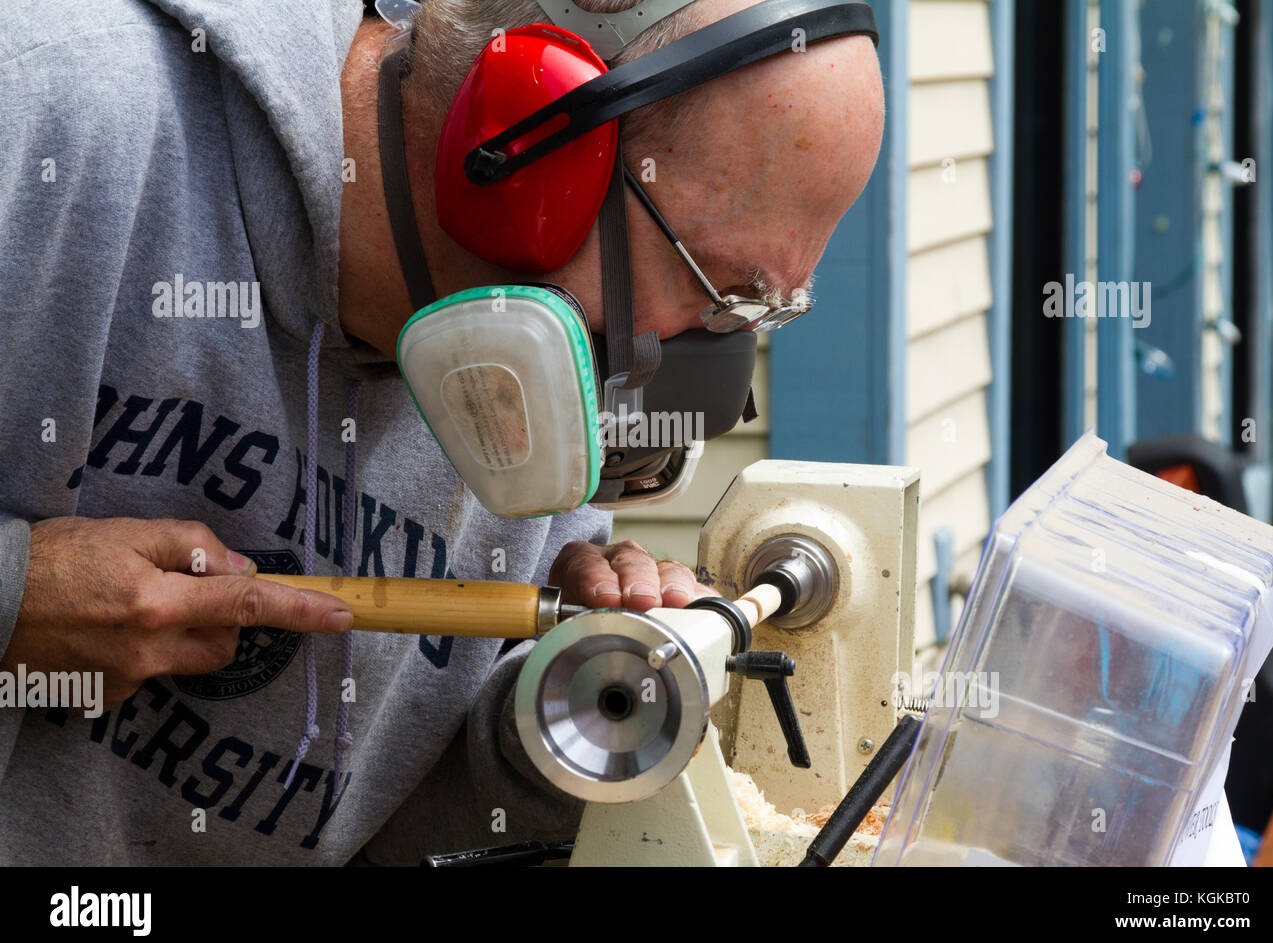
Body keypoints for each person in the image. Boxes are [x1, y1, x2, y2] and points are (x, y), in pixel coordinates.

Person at [0, 0, 883, 864]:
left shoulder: (518, 396)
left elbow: (393, 820)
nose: (699, 377)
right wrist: (14, 602)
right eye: (717, 290)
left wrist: (573, 718)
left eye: (760, 311)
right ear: (533, 149)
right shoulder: (45, 104)